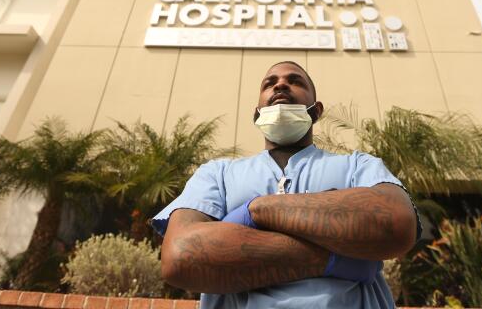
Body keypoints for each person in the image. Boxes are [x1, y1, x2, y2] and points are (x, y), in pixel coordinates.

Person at [151, 61, 419, 308]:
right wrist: (339, 259)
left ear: (317, 111)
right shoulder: (217, 174)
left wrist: (255, 212)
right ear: (257, 114)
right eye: (269, 83)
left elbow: (396, 224)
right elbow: (181, 256)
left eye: (295, 81)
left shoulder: (359, 166)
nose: (280, 85)